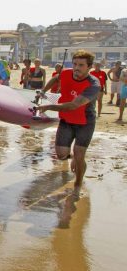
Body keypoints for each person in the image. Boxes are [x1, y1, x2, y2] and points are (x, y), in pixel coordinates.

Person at [37, 50, 100, 191]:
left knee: (79, 154)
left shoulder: (93, 84)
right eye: (75, 64)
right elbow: (55, 78)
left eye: (81, 65)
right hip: (66, 120)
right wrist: (43, 91)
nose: (76, 68)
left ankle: (78, 183)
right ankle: (74, 158)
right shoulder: (66, 73)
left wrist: (49, 106)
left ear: (89, 67)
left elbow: (73, 105)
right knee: (61, 154)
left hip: (85, 122)